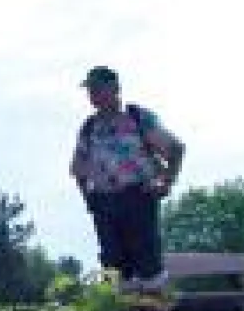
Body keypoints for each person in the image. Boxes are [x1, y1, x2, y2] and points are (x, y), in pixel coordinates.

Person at [70, 65, 185, 294]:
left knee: (148, 265)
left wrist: (166, 183)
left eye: (98, 89)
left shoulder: (138, 118)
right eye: (90, 90)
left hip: (138, 197)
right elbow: (78, 169)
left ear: (115, 88)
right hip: (104, 202)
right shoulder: (89, 128)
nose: (93, 95)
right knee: (114, 267)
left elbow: (175, 149)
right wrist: (89, 200)